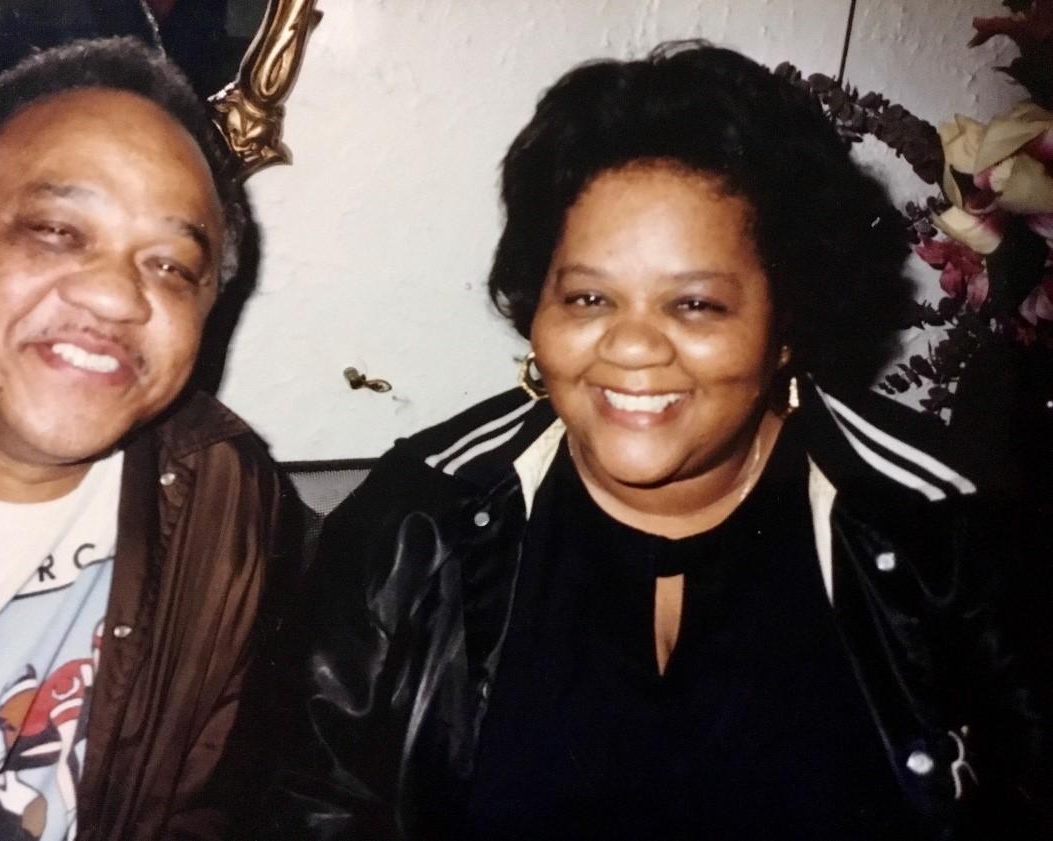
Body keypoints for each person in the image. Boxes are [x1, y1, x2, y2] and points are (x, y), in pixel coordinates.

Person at [262, 42, 1052, 840]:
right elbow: (307, 807)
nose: (632, 346)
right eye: (588, 297)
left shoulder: (940, 529)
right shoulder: (416, 524)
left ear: (786, 324)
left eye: (696, 305)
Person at [0, 37, 293, 840]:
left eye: (170, 267)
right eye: (58, 230)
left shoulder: (217, 489)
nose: (118, 297)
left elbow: (203, 804)